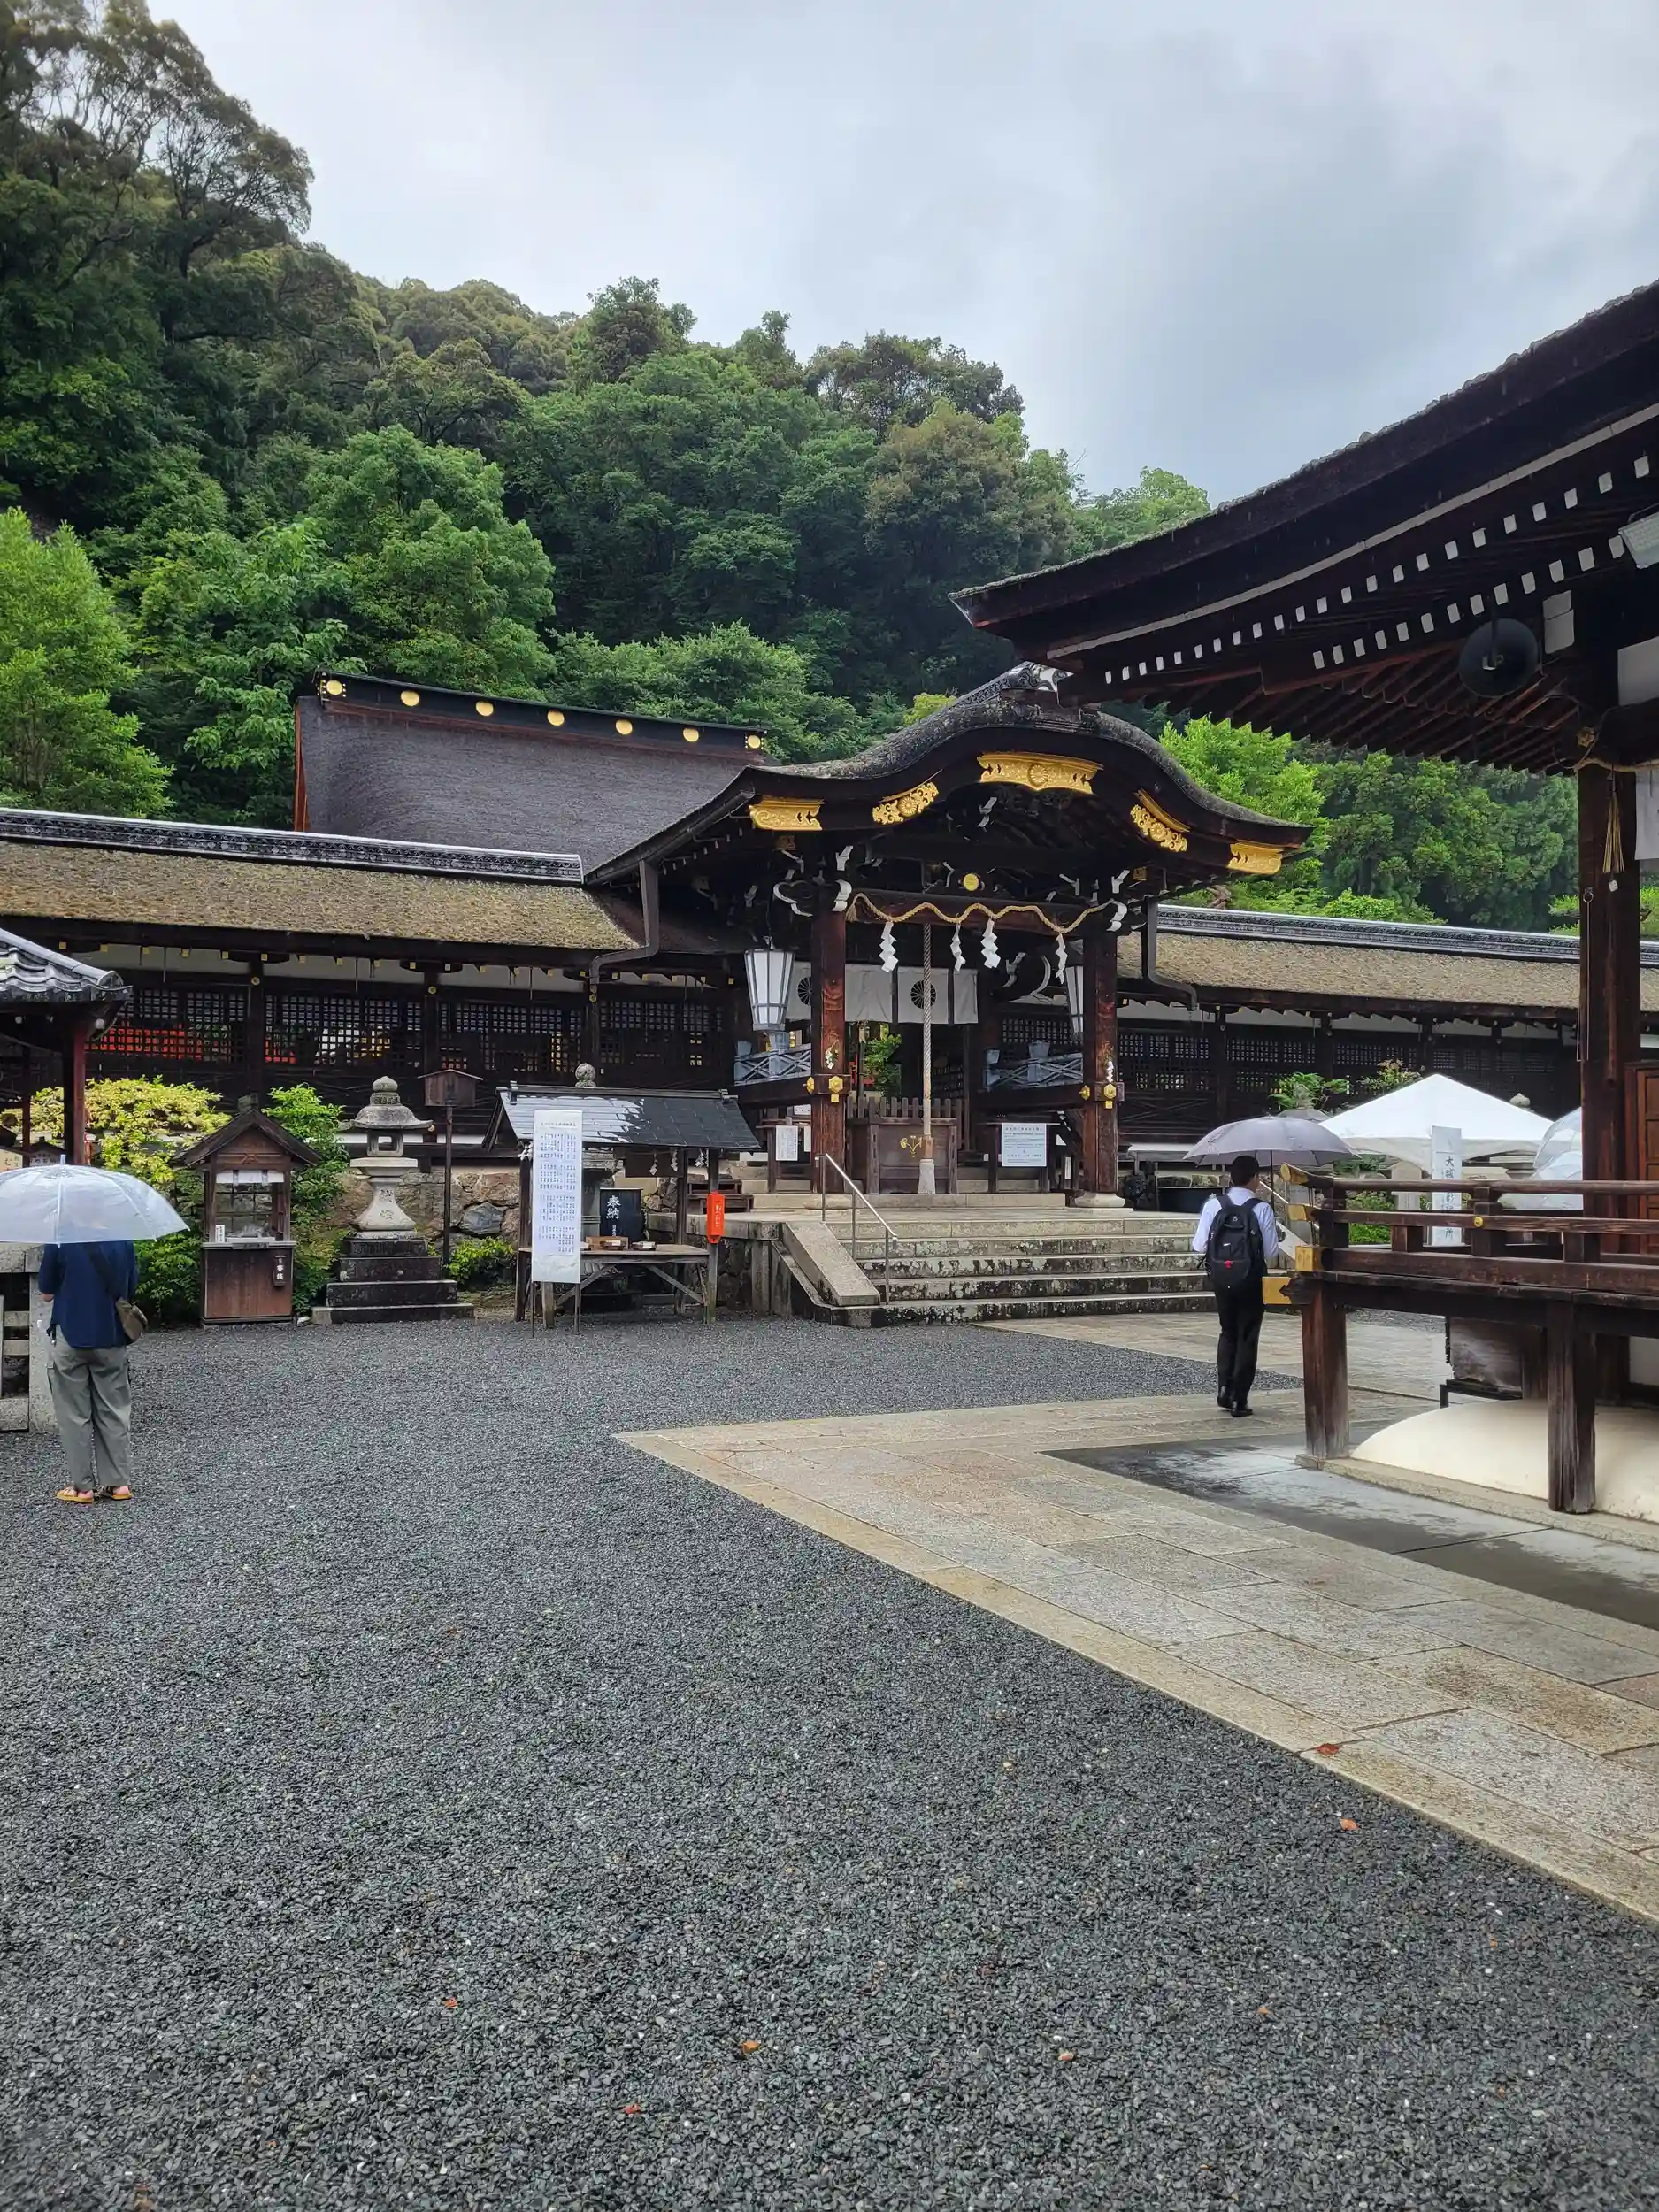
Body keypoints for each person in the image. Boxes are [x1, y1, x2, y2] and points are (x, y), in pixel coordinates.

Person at [38, 1240, 139, 1504]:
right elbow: (129, 1288)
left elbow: (46, 1293)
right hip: (111, 1336)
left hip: (71, 1336)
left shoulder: (59, 1241)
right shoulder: (123, 1241)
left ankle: (83, 1488)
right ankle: (118, 1484)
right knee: (114, 1410)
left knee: (74, 1414)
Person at [1190, 1155, 1279, 1417]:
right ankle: (1240, 1398)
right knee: (1247, 1335)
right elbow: (1271, 1252)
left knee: (1227, 1332)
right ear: (1254, 1178)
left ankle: (1224, 1389)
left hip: (1221, 1278)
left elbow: (1199, 1246)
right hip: (1251, 1279)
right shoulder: (1261, 1208)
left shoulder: (1213, 1205)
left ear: (1231, 1177)